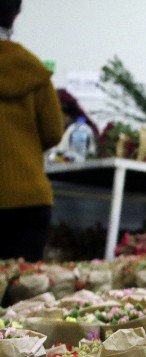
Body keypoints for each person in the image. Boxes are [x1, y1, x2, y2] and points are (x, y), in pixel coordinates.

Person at [0, 0, 64, 261]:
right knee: (25, 297)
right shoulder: (33, 68)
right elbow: (53, 132)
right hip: (30, 199)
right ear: (16, 14)